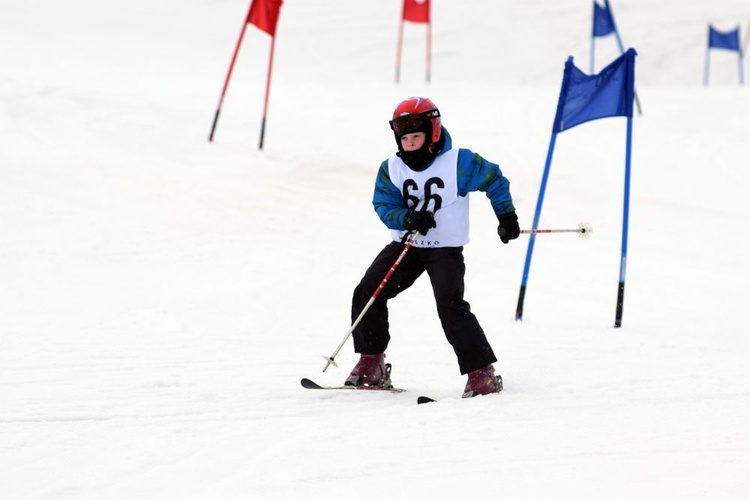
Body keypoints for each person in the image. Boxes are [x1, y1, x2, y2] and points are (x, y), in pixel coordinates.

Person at [344, 96, 520, 398]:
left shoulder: (458, 162)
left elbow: (494, 179)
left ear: (433, 133)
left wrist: (506, 215)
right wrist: (407, 217)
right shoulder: (392, 168)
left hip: (444, 250)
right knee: (368, 291)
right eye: (404, 138)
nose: (410, 143)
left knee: (450, 306)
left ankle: (482, 373)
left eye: (416, 136)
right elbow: (383, 204)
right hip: (406, 245)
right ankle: (371, 362)